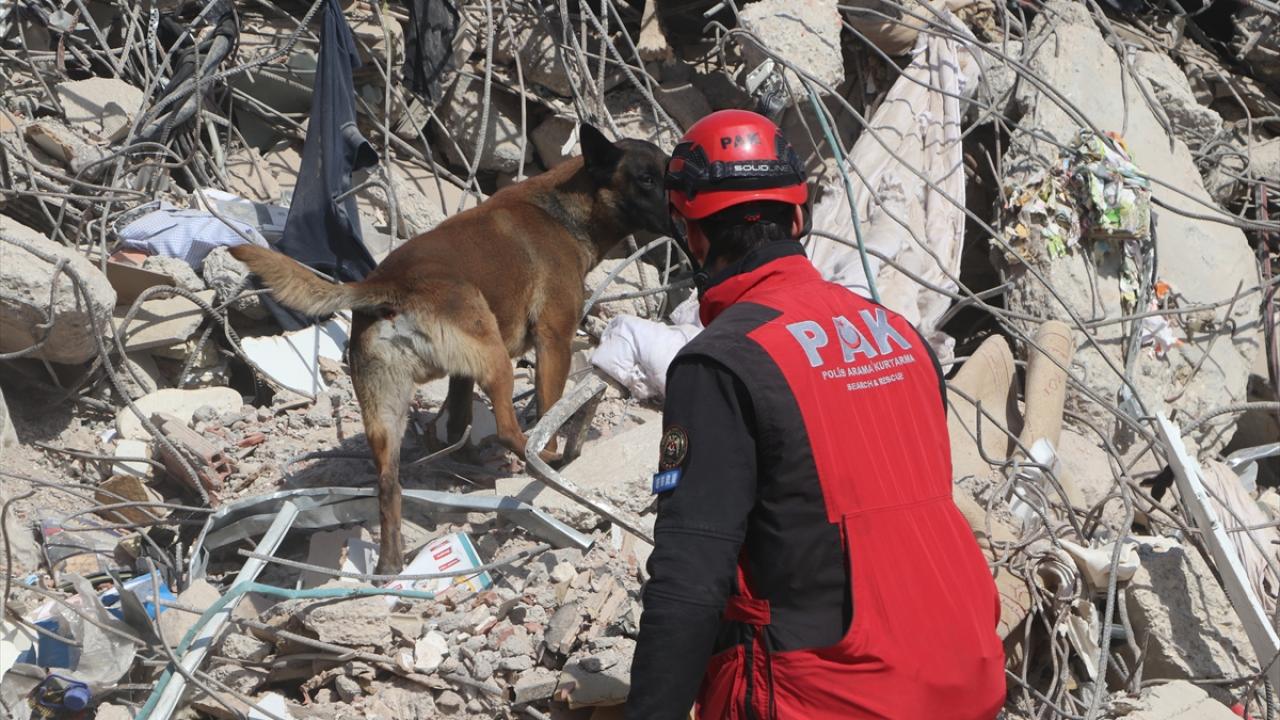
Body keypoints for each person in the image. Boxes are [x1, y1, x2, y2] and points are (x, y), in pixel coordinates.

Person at [626, 110, 1006, 719]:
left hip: (829, 695)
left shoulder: (721, 364)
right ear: (798, 217)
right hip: (967, 673)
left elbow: (690, 578)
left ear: (691, 233)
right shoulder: (901, 336)